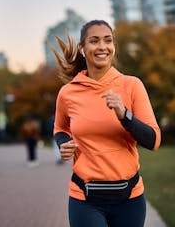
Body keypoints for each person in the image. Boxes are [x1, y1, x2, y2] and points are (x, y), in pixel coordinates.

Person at [53, 20, 161, 227]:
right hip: (84, 198)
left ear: (114, 47)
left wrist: (124, 115)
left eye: (107, 40)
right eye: (94, 41)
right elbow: (60, 128)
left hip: (129, 198)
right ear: (83, 49)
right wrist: (64, 144)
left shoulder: (132, 85)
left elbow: (153, 140)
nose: (102, 46)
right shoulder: (68, 92)